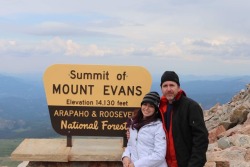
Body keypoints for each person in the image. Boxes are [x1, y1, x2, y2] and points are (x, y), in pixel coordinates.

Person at [159, 71, 208, 167]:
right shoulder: (160, 108)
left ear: (178, 87)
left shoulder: (191, 106)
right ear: (161, 88)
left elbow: (201, 139)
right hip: (165, 164)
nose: (168, 89)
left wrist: (194, 164)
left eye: (172, 85)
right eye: (165, 86)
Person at [122, 91, 168, 167]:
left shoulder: (158, 126)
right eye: (145, 104)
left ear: (156, 110)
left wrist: (136, 165)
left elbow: (159, 155)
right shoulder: (133, 123)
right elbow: (130, 145)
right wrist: (125, 157)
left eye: (151, 106)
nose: (146, 108)